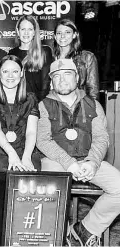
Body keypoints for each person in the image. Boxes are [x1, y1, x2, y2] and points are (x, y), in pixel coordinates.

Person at [37, 59, 120, 246]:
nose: (62, 80)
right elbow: (42, 140)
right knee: (48, 188)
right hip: (56, 160)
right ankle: (62, 234)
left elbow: (101, 138)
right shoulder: (43, 105)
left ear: (77, 78)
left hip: (87, 158)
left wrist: (92, 161)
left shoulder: (93, 104)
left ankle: (86, 229)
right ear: (51, 82)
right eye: (56, 76)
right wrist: (69, 163)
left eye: (67, 74)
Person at [0, 55, 40, 171]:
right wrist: (12, 154)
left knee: (29, 173)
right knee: (0, 169)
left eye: (15, 71)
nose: (10, 76)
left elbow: (31, 132)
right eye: (5, 71)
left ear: (21, 73)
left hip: (26, 152)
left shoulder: (31, 99)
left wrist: (26, 157)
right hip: (0, 154)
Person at [9, 15, 53, 101]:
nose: (26, 33)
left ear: (34, 32)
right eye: (23, 29)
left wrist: (39, 106)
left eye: (30, 29)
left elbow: (45, 84)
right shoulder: (12, 53)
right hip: (17, 104)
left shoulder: (45, 51)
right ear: (18, 31)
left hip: (39, 104)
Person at [53, 19, 99, 99]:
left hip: (79, 106)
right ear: (55, 36)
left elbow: (93, 91)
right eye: (59, 33)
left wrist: (91, 109)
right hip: (54, 105)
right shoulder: (50, 58)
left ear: (74, 35)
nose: (62, 36)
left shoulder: (87, 57)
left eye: (67, 32)